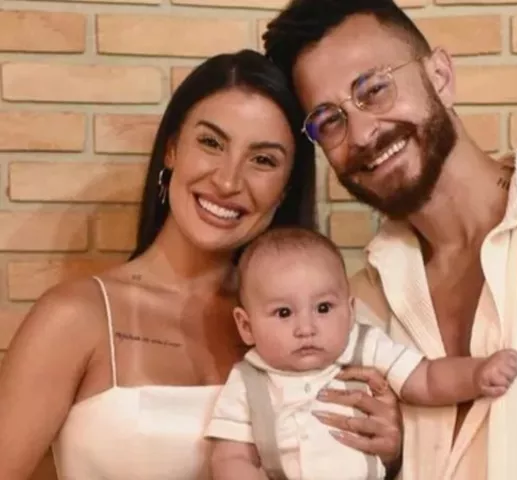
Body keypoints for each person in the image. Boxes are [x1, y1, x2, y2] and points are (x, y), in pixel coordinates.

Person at [262, 1, 517, 479]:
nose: (361, 133)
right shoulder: (357, 302)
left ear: (440, 75)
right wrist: (389, 459)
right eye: (329, 120)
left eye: (374, 89)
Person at [0, 50, 402, 480]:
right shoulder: (76, 317)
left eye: (263, 160)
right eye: (211, 143)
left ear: (286, 188)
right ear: (172, 149)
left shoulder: (318, 322)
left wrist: (391, 452)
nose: (228, 181)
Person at [206, 227, 517, 480]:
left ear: (350, 311)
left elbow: (425, 378)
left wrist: (476, 374)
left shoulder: (364, 346)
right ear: (246, 326)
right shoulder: (247, 381)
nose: (306, 328)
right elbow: (230, 457)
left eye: (323, 308)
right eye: (284, 313)